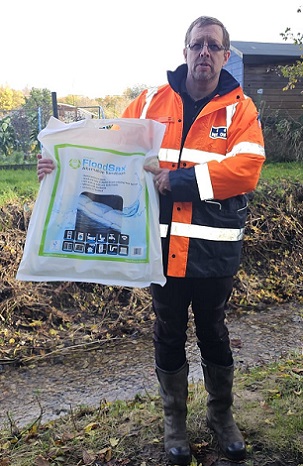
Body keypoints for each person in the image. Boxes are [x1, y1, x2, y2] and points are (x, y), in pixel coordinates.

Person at [37, 16, 265, 465]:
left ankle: (222, 419)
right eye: (196, 44)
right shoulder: (148, 103)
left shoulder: (242, 111)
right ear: (184, 51)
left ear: (225, 55)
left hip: (213, 254)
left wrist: (176, 181)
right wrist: (59, 162)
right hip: (157, 251)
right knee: (168, 333)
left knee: (214, 334)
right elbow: (105, 149)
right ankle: (174, 424)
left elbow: (246, 169)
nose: (204, 52)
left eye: (213, 46)